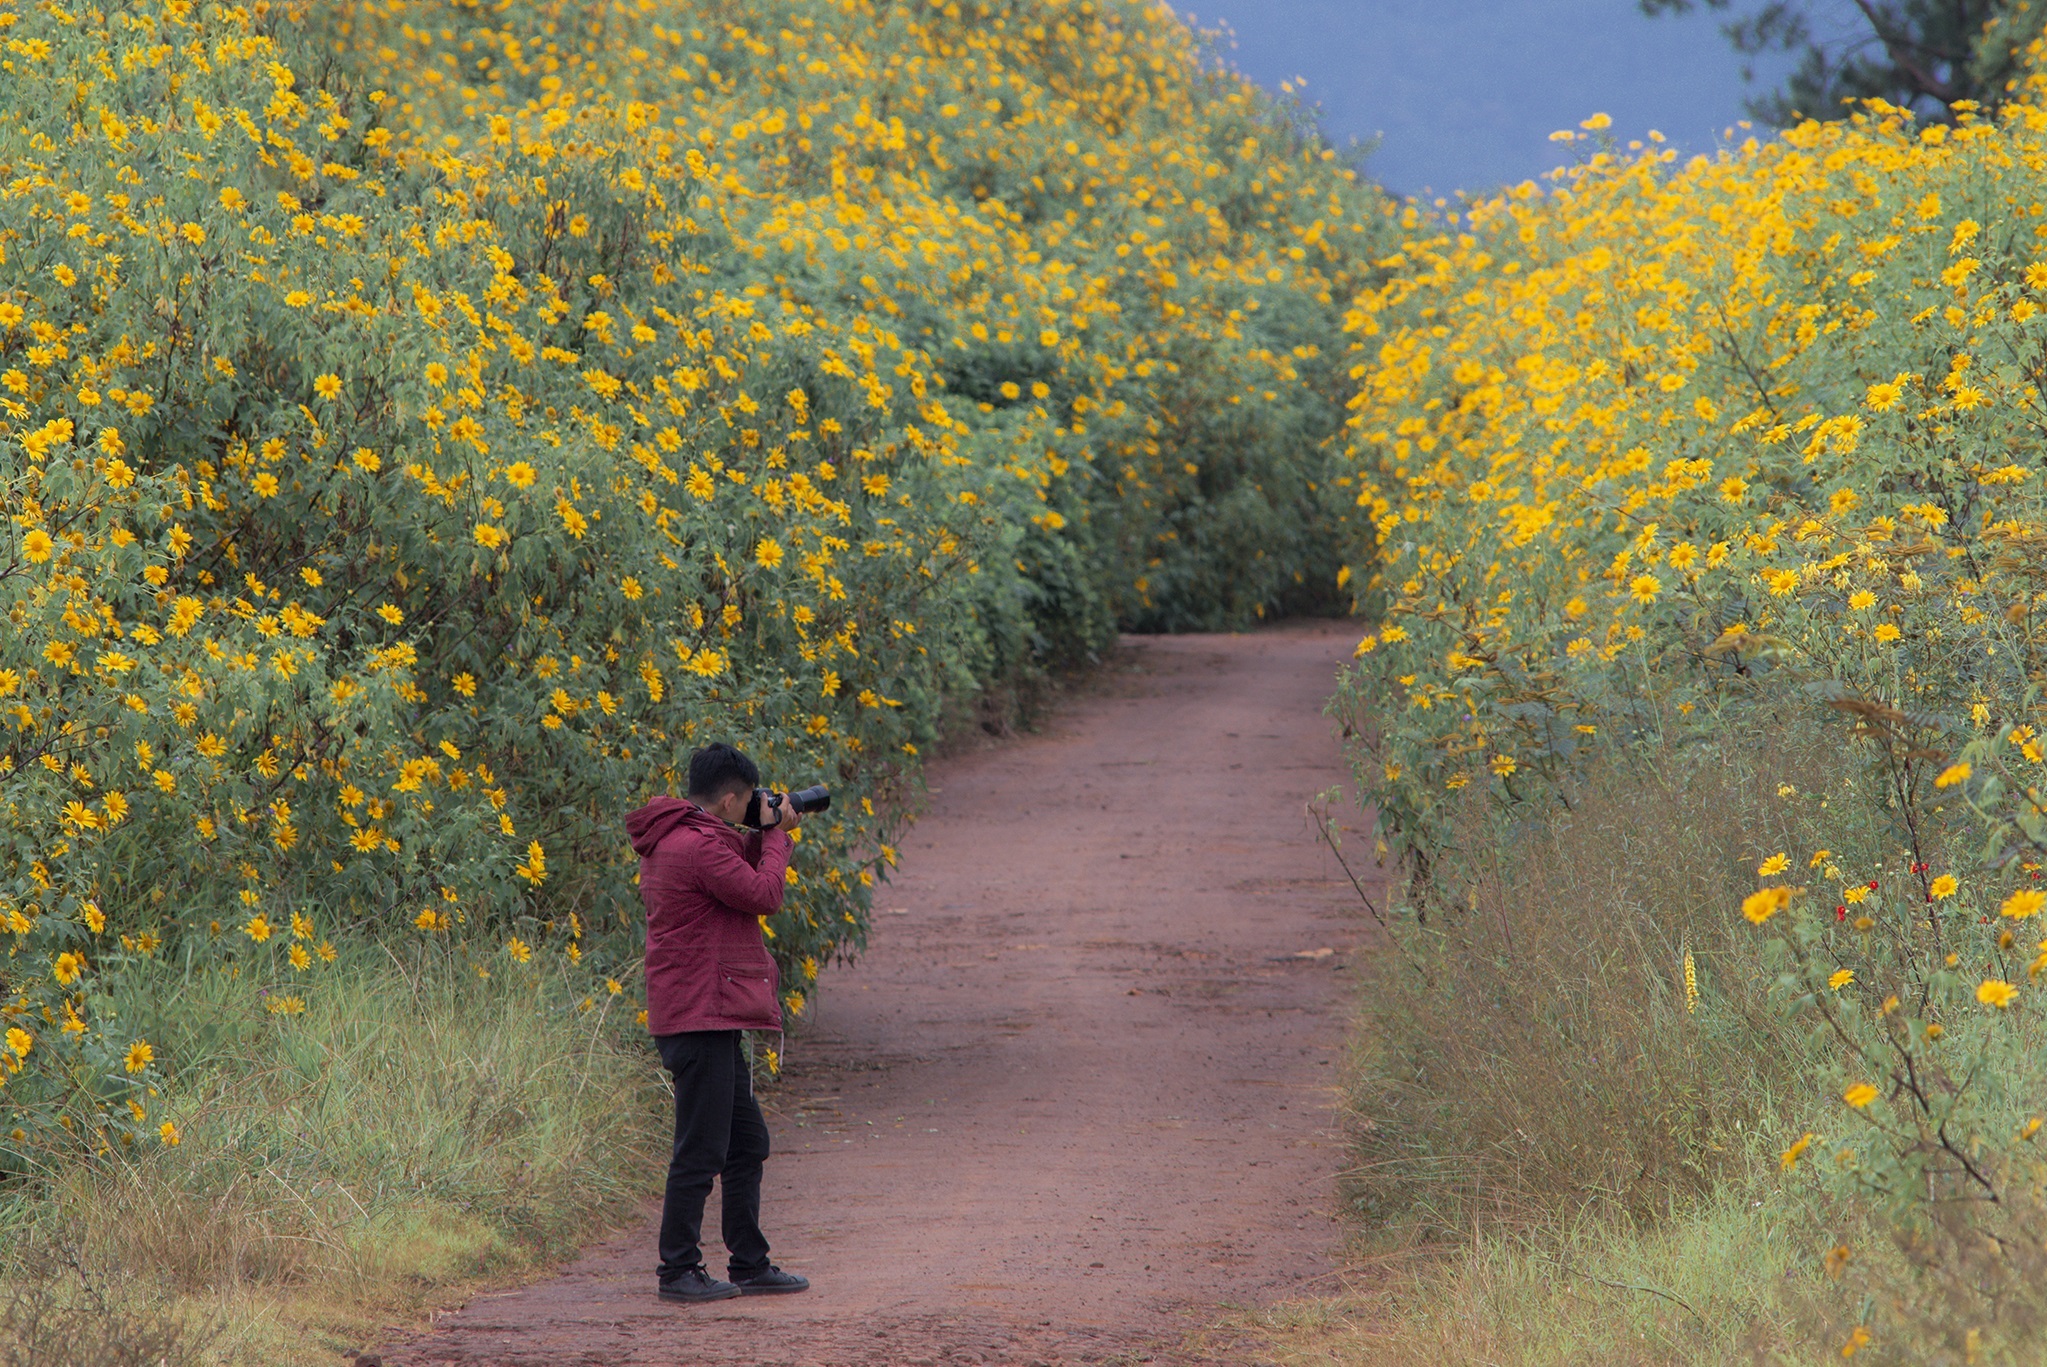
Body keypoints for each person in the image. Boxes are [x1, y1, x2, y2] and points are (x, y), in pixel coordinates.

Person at [625, 742, 812, 1304]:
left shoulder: (687, 836)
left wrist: (766, 831)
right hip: (698, 1013)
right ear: (730, 799)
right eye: (749, 798)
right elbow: (763, 893)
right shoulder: (696, 845)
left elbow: (736, 870)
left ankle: (749, 1264)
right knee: (702, 1150)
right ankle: (677, 1270)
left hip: (706, 1011)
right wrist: (776, 835)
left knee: (746, 1142)